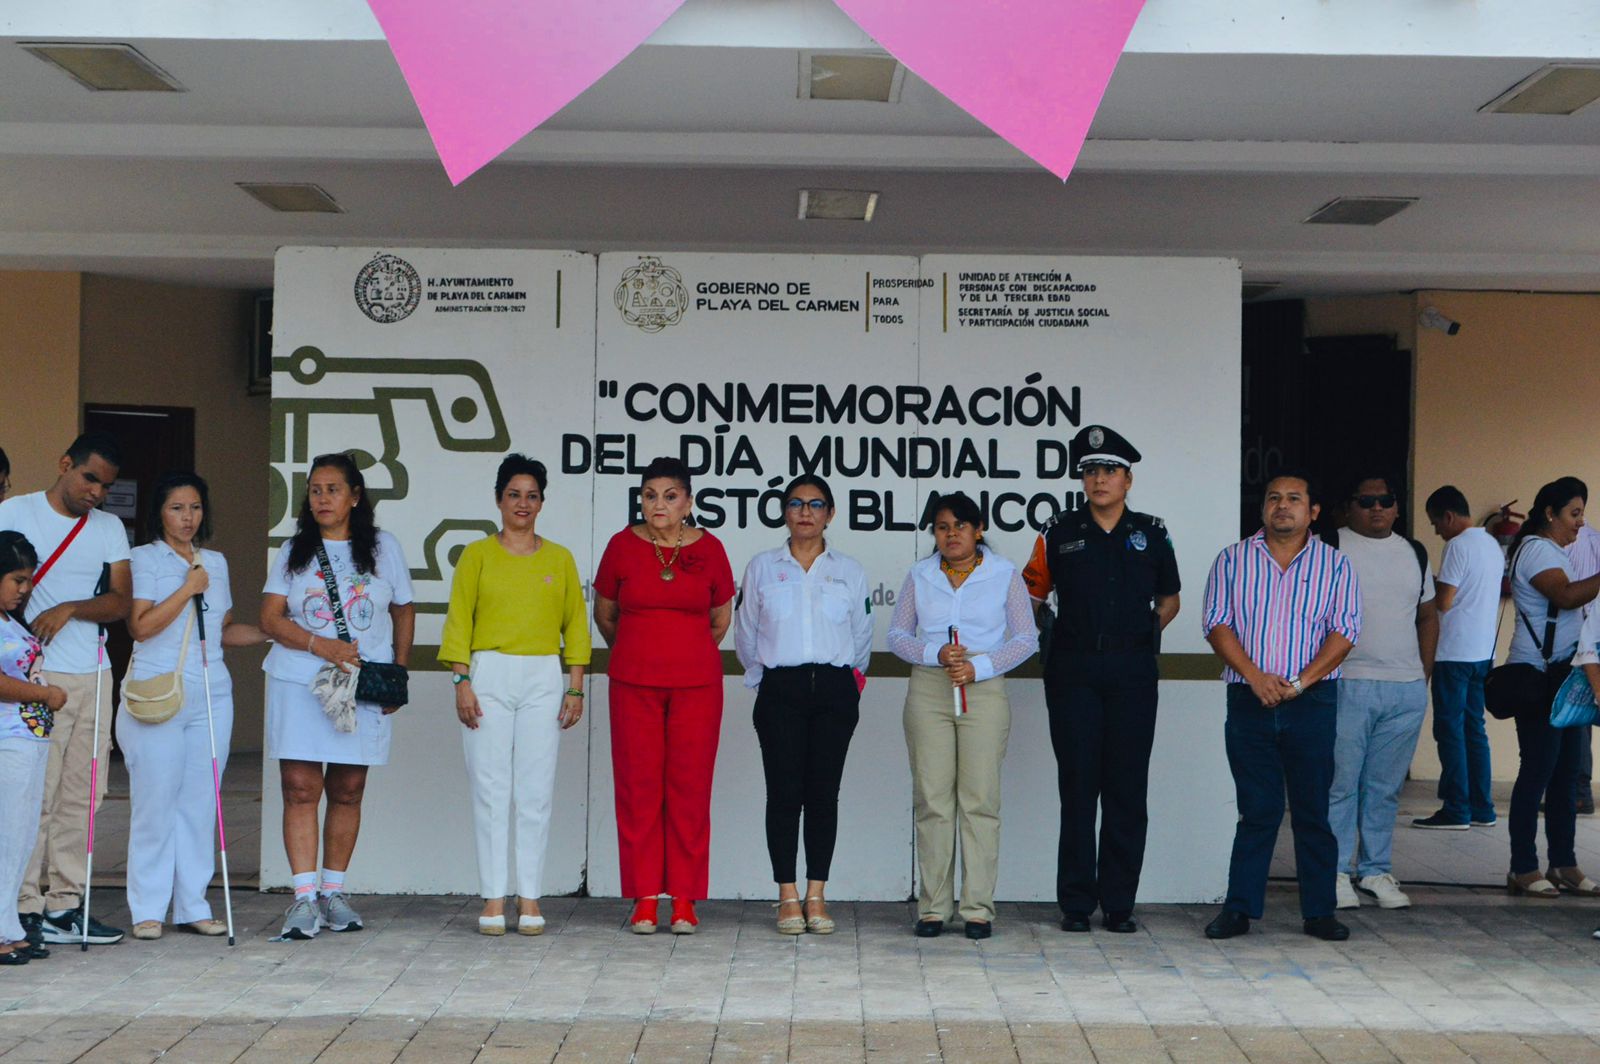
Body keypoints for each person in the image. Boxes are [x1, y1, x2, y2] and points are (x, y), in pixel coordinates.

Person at [1022, 425, 1179, 935]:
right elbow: (1031, 598)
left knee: (1127, 789)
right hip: (1073, 672)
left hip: (1132, 672)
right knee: (1078, 787)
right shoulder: (1057, 532)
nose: (1099, 479)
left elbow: (1170, 599)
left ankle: (1118, 903)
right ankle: (1075, 903)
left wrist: (1137, 636)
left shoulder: (1152, 533)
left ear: (1127, 480)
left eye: (1109, 470)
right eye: (1090, 471)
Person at [259, 452, 415, 940]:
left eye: (333, 489)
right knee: (299, 788)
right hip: (299, 680)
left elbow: (404, 609)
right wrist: (319, 645)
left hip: (360, 682)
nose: (322, 498)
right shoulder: (294, 550)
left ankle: (333, 892)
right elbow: (270, 618)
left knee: (348, 789)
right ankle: (304, 897)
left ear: (355, 496)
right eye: (315, 490)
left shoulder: (383, 547)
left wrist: (398, 671)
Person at [1200, 472, 1361, 942]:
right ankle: (1239, 910)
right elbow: (1216, 623)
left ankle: (1320, 912)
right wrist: (1255, 676)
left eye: (1294, 498)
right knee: (1257, 809)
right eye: (1274, 498)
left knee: (1312, 810)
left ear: (1313, 511)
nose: (1282, 506)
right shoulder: (1232, 560)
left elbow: (1346, 630)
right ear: (1263, 509)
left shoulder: (1336, 565)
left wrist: (1298, 682)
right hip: (1248, 699)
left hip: (1312, 701)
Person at [439, 455, 590, 937]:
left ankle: (529, 897)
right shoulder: (477, 555)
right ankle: (492, 897)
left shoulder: (559, 558)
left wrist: (575, 686)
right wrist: (462, 681)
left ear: (542, 502)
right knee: (490, 790)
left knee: (535, 791)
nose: (522, 504)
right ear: (498, 499)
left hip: (543, 674)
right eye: (513, 495)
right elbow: (459, 621)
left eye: (532, 495)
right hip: (488, 673)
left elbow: (576, 626)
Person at [120, 473, 266, 940]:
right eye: (177, 508)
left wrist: (273, 633)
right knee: (155, 801)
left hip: (211, 690)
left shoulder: (215, 562)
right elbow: (141, 627)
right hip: (158, 689)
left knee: (201, 802)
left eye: (195, 507)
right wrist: (187, 588)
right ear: (159, 513)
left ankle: (192, 904)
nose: (188, 517)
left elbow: (220, 630)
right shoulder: (144, 558)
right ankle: (147, 907)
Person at [0, 432, 131, 947]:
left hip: (94, 672)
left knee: (84, 794)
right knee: (34, 795)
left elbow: (121, 601)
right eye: (89, 478)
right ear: (64, 464)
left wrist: (70, 608)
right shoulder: (16, 511)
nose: (97, 492)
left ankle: (65, 904)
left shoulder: (108, 528)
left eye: (106, 486)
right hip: (36, 675)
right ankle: (23, 906)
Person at [593, 457, 734, 935]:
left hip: (697, 686)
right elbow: (606, 614)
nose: (659, 504)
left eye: (670, 496)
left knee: (689, 789)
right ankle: (646, 896)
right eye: (650, 495)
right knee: (638, 788)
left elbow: (720, 619)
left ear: (688, 502)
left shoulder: (711, 549)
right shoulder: (621, 546)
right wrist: (640, 651)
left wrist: (682, 652)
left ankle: (685, 898)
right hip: (633, 683)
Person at [888, 491, 1037, 940]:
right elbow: (897, 634)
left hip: (982, 684)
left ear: (979, 529)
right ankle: (933, 908)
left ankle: (977, 909)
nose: (951, 535)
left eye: (960, 526)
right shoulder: (920, 574)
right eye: (942, 527)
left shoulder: (1003, 573)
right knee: (933, 799)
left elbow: (1025, 638)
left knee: (979, 800)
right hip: (930, 685)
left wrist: (980, 666)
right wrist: (933, 653)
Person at [733, 474, 872, 936]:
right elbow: (747, 635)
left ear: (830, 514)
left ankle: (817, 893)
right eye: (796, 503)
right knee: (783, 794)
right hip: (781, 691)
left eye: (815, 504)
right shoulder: (762, 567)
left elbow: (861, 639)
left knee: (823, 795)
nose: (805, 512)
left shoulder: (849, 570)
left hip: (834, 692)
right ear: (784, 512)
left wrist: (846, 688)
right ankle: (787, 894)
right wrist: (768, 682)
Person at [1323, 475, 1436, 911]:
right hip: (1346, 680)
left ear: (1396, 507)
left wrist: (1422, 674)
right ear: (1348, 506)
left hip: (1404, 687)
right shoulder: (1330, 546)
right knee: (1340, 784)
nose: (1376, 508)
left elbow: (1428, 616)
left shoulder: (1414, 552)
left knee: (1385, 788)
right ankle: (1335, 871)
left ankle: (1374, 870)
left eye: (1385, 500)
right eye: (1366, 501)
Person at [1502, 477, 1600, 898]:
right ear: (1549, 513)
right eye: (1574, 513)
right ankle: (1523, 866)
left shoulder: (1556, 551)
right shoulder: (1535, 549)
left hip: (1565, 675)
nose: (1580, 522)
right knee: (1538, 771)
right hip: (1539, 677)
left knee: (1566, 774)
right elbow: (1565, 596)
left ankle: (1564, 862)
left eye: (1582, 514)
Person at [1415, 486, 1503, 829]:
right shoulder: (1491, 544)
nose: (1437, 530)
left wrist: (1431, 584)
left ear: (1449, 516)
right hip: (1483, 652)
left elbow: (1445, 601)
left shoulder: (1457, 545)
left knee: (1449, 731)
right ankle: (1482, 808)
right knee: (1474, 730)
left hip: (1454, 653)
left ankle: (1456, 809)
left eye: (1436, 523)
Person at [0, 533, 67, 967]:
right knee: (5, 837)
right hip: (7, 741)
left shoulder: (10, 620)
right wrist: (44, 694)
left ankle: (8, 926)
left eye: (29, 580)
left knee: (20, 839)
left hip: (29, 740)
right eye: (17, 580)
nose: (25, 589)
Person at [1564, 521, 1600, 816]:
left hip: (1582, 637)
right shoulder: (1592, 539)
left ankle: (1578, 792)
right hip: (1586, 637)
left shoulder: (1572, 541)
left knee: (1578, 718)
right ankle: (1578, 791)